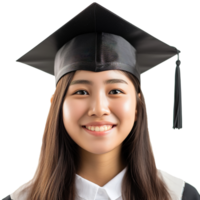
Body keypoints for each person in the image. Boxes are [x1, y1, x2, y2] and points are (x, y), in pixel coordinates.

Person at [1, 2, 199, 200]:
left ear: (138, 105)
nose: (99, 109)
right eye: (81, 92)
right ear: (56, 105)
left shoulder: (180, 196)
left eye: (115, 90)